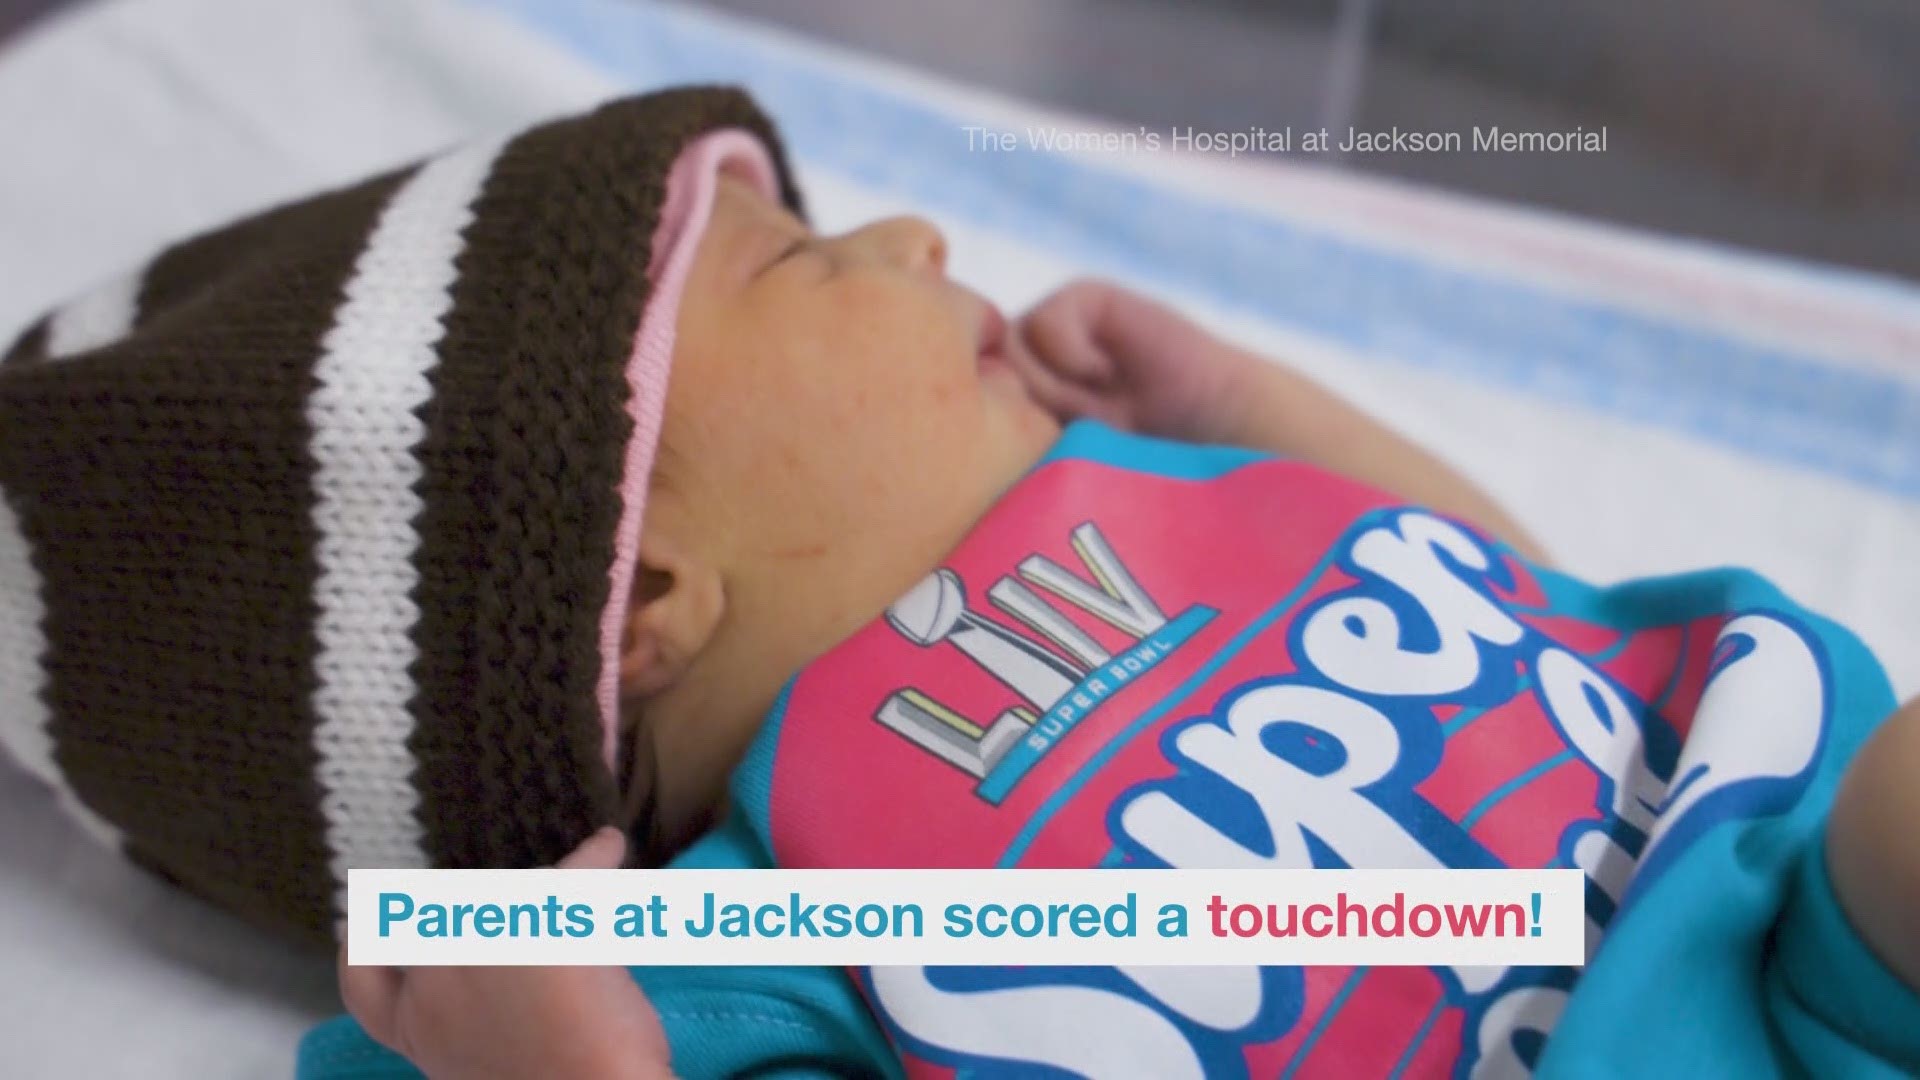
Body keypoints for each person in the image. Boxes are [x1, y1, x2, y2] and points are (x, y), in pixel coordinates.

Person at [0, 89, 1912, 1079]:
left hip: (1788, 884)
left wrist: (1252, 405)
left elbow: (1516, 583)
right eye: (794, 267)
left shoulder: (1159, 494)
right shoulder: (718, 939)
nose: (911, 233)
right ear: (642, 589)